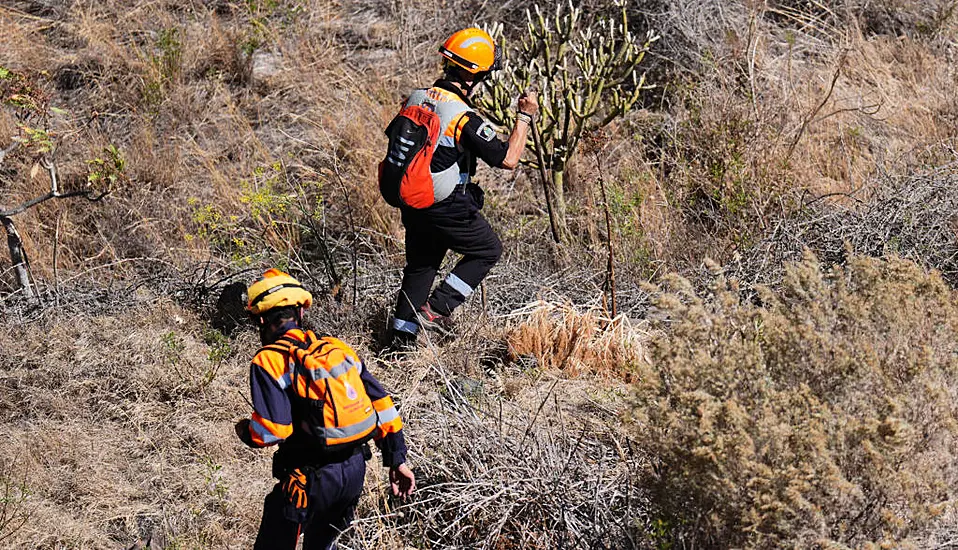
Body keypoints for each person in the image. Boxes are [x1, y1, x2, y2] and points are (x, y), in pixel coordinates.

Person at [235, 269, 415, 549]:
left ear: (259, 320)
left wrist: (246, 431)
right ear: (301, 313)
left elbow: (272, 430)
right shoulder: (338, 348)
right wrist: (396, 459)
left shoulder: (269, 360)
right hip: (355, 472)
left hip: (308, 479)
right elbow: (383, 404)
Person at [389, 27, 539, 349]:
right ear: (473, 77)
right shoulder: (462, 116)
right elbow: (509, 159)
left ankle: (398, 344)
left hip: (412, 201)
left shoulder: (415, 98)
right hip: (444, 205)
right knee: (487, 250)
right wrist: (524, 118)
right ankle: (437, 310)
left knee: (421, 266)